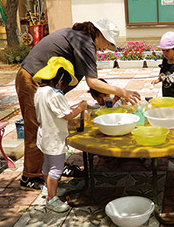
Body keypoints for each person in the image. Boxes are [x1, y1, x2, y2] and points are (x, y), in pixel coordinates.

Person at [16, 17, 141, 191]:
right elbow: (93, 82)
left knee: (56, 122)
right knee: (37, 127)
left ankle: (58, 164)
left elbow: (92, 82)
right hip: (32, 79)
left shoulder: (80, 38)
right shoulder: (84, 42)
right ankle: (30, 176)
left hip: (45, 84)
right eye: (107, 43)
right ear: (99, 34)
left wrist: (105, 96)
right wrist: (121, 91)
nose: (105, 48)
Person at [33, 56, 87, 212]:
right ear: (60, 80)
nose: (65, 88)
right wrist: (81, 108)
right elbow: (68, 115)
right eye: (65, 84)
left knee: (47, 166)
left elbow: (54, 111)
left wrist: (73, 108)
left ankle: (47, 188)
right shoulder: (55, 95)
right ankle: (52, 199)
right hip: (54, 139)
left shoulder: (40, 91)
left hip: (44, 136)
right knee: (56, 169)